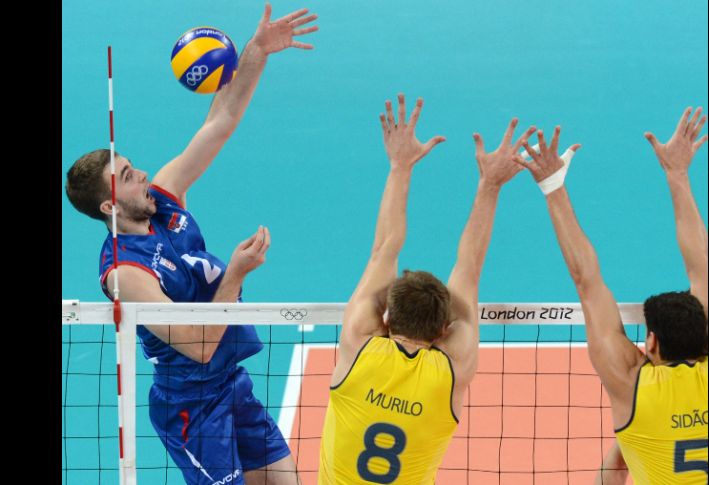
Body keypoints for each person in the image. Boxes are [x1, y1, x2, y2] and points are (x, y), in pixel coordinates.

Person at [64, 3, 318, 484]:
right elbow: (197, 345)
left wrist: (257, 52)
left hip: (231, 385)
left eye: (131, 165)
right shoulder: (125, 272)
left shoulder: (164, 197)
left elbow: (218, 123)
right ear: (108, 208)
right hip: (191, 409)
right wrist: (237, 274)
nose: (139, 173)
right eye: (124, 176)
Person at [317, 93, 536, 484]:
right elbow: (469, 269)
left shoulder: (359, 344)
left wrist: (400, 166)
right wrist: (490, 185)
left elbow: (384, 249)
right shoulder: (451, 370)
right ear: (442, 332)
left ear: (386, 315)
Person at [512, 108, 708, 485]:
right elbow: (701, 267)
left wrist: (553, 186)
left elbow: (587, 280)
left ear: (650, 341)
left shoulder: (631, 385)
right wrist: (678, 174)